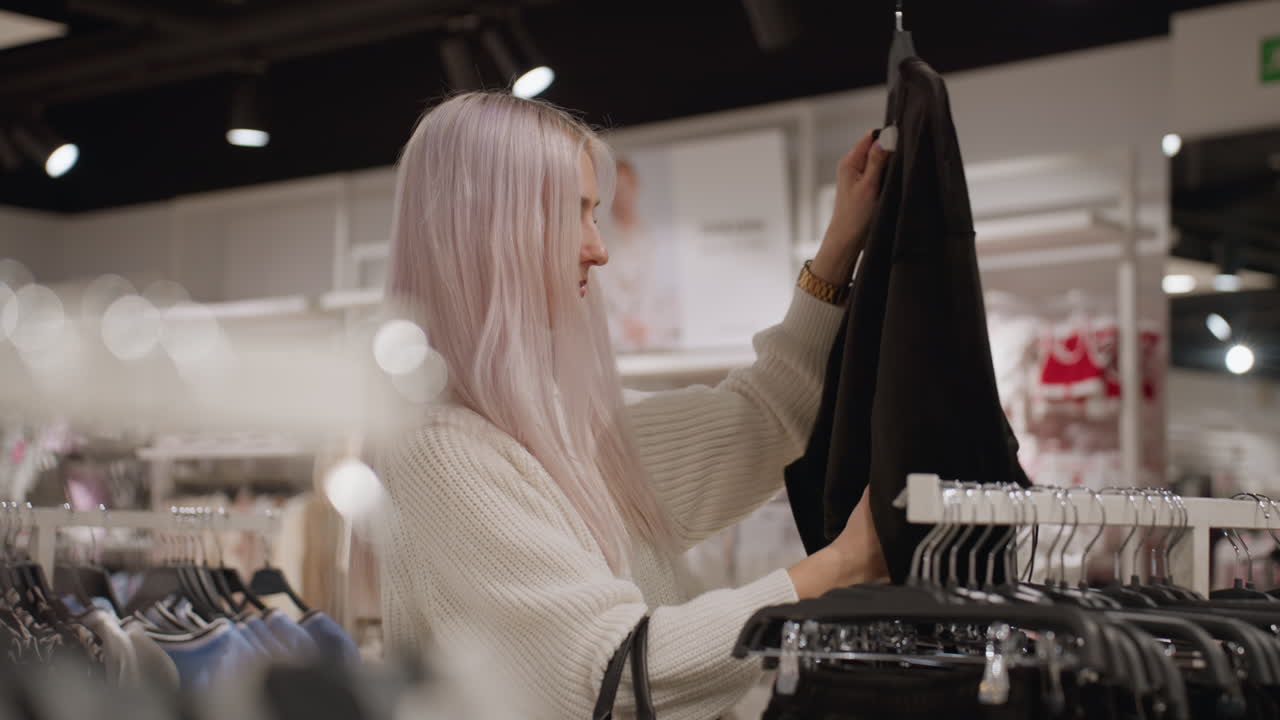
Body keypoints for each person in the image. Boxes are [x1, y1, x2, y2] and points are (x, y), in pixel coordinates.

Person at [374, 91, 891, 720]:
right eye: (576, 214)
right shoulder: (444, 452)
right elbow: (612, 674)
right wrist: (840, 568)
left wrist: (839, 247)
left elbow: (765, 419)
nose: (599, 248)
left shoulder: (563, 426)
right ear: (490, 225)